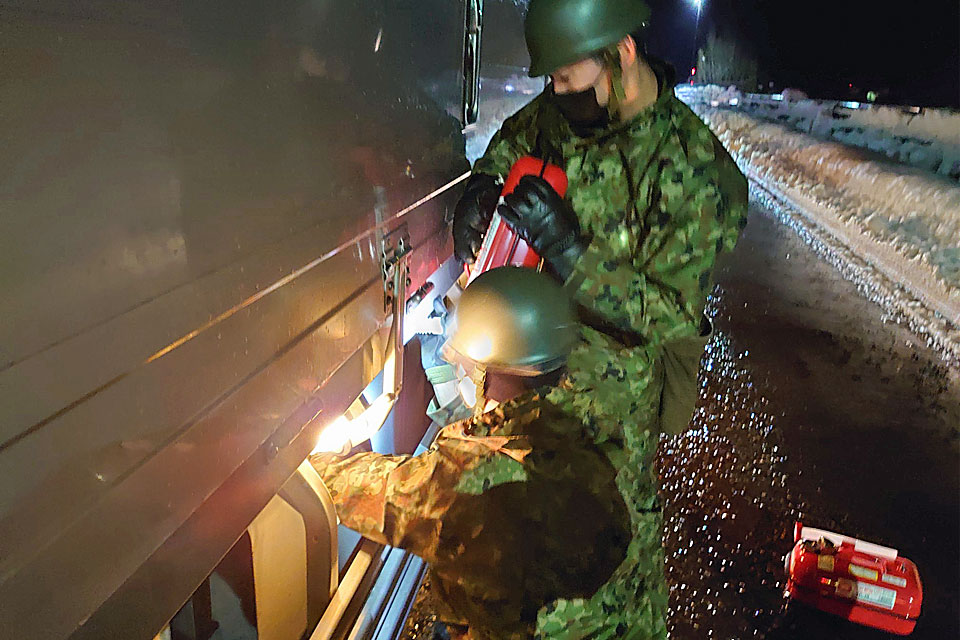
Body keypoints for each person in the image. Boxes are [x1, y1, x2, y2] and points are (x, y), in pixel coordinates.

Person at [450, 0, 750, 636]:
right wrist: (480, 192)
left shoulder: (692, 170)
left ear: (621, 53)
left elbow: (670, 317)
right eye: (551, 80)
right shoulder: (559, 115)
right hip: (523, 388)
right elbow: (508, 151)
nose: (557, 94)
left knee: (601, 596)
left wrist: (570, 252)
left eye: (566, 77)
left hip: (607, 431)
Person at [310, 267, 632, 640]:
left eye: (465, 365)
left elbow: (368, 492)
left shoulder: (473, 486)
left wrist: (311, 452)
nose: (457, 368)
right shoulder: (598, 399)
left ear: (487, 375)